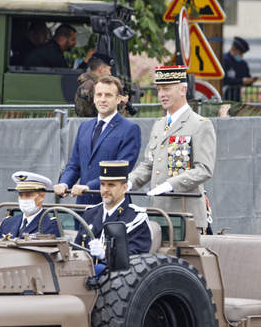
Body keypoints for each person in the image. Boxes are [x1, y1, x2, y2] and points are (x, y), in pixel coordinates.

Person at [128, 65, 216, 233]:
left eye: (167, 89)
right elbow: (149, 164)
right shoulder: (159, 125)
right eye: (159, 89)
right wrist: (129, 182)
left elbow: (204, 169)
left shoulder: (199, 125)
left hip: (185, 216)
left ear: (183, 90)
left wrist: (170, 185)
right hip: (158, 215)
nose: (162, 94)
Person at [55, 75, 141, 206]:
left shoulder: (129, 129)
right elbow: (74, 164)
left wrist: (89, 187)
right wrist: (64, 182)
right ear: (94, 98)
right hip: (83, 206)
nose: (102, 99)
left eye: (108, 95)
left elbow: (121, 170)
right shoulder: (85, 127)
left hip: (112, 205)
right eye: (99, 95)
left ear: (118, 99)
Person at [74, 160, 151, 270]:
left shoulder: (136, 218)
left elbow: (136, 258)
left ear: (124, 187)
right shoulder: (90, 213)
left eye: (111, 185)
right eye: (102, 184)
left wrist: (105, 255)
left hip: (117, 280)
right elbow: (76, 251)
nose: (105, 190)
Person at [0, 172, 61, 238]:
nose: (24, 199)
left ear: (41, 196)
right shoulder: (7, 223)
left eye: (29, 195)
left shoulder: (51, 225)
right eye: (21, 195)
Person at [74, 53, 113, 117]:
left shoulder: (93, 84)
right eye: (109, 70)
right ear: (101, 69)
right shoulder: (89, 85)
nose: (110, 73)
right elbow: (85, 112)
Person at [222, 37, 257, 101]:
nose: (241, 56)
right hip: (224, 97)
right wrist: (241, 81)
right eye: (240, 53)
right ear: (233, 48)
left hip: (236, 99)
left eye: (242, 53)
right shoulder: (224, 60)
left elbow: (247, 77)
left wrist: (250, 81)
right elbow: (224, 80)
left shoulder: (242, 63)